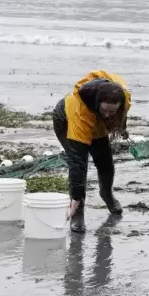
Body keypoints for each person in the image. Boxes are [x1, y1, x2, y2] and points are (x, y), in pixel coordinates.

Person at [52, 70, 131, 233]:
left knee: (106, 162)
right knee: (81, 163)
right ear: (97, 103)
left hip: (95, 121)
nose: (108, 115)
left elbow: (121, 115)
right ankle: (77, 210)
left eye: (112, 111)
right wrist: (76, 196)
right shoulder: (80, 111)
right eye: (105, 111)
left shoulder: (123, 97)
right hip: (66, 121)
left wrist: (121, 127)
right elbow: (77, 161)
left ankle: (106, 194)